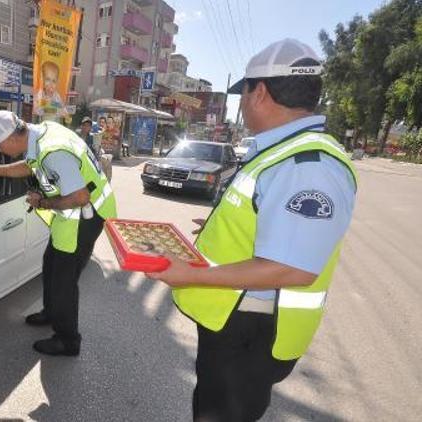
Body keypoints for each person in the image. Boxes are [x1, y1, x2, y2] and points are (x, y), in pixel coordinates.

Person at [146, 39, 358, 421]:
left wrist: (191, 273)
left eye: (242, 93)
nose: (242, 105)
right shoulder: (284, 151)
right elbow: (266, 219)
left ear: (259, 92)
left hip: (250, 330)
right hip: (238, 320)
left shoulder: (307, 164)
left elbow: (293, 267)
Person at [0, 110, 117, 356]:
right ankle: (51, 312)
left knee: (64, 279)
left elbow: (79, 196)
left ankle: (68, 340)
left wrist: (41, 202)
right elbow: (29, 166)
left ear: (11, 138)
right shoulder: (39, 136)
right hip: (72, 216)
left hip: (86, 215)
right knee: (51, 263)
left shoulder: (54, 152)